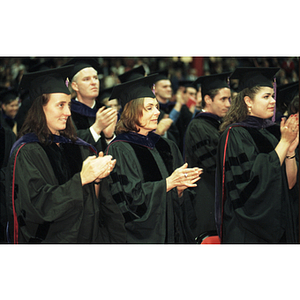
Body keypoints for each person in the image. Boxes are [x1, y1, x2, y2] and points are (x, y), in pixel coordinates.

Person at [5, 66, 126, 243]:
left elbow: (95, 205)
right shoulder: (26, 152)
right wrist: (82, 179)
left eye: (68, 105)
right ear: (41, 108)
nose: (68, 113)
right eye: (60, 105)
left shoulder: (77, 146)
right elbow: (36, 208)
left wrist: (97, 179)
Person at [106, 74, 203, 243]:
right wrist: (168, 183)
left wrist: (179, 190)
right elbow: (129, 202)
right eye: (149, 108)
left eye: (157, 107)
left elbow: (181, 201)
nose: (157, 112)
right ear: (132, 111)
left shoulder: (166, 145)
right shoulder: (120, 148)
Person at [215, 67, 299, 243]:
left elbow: (289, 185)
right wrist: (284, 143)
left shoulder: (272, 133)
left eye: (273, 96)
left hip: (278, 225)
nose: (273, 101)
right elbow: (252, 184)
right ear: (248, 101)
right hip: (248, 231)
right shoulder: (235, 135)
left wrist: (290, 152)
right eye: (266, 97)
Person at [184, 72, 231, 241]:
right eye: (223, 99)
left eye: (229, 99)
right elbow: (213, 165)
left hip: (219, 196)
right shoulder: (199, 126)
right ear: (208, 99)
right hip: (206, 198)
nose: (228, 104)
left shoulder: (219, 125)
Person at [64, 58, 118, 152]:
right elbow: (69, 148)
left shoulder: (108, 111)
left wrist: (109, 137)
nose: (93, 82)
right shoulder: (67, 113)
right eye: (86, 79)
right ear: (75, 86)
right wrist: (96, 128)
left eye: (95, 78)